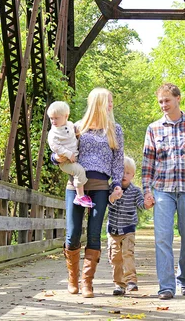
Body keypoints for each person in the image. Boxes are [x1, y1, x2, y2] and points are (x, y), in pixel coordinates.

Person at [141, 83, 185, 300]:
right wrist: (147, 191)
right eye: (161, 101)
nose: (164, 105)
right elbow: (147, 163)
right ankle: (166, 286)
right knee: (162, 238)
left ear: (178, 99)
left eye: (167, 100)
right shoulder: (153, 129)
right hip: (163, 189)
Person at [59, 88, 124, 298]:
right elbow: (59, 147)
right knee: (72, 233)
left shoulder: (115, 130)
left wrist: (117, 184)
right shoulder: (77, 127)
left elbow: (118, 159)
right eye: (109, 101)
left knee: (94, 233)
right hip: (76, 186)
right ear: (98, 103)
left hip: (101, 187)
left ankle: (87, 282)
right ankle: (72, 279)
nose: (112, 104)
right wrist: (55, 158)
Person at [106, 156, 150, 296]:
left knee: (128, 254)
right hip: (113, 229)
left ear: (132, 175)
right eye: (121, 172)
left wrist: (147, 203)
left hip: (128, 229)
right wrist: (113, 196)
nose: (124, 175)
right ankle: (119, 284)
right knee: (115, 257)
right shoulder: (110, 188)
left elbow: (141, 205)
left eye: (128, 173)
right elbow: (106, 203)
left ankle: (131, 281)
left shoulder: (135, 191)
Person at [47, 101, 93, 208]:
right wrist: (67, 154)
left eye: (56, 118)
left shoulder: (71, 125)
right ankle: (80, 196)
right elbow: (55, 147)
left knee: (79, 171)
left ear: (66, 116)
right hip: (65, 161)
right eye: (51, 118)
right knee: (79, 171)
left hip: (74, 158)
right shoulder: (53, 133)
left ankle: (80, 194)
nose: (53, 121)